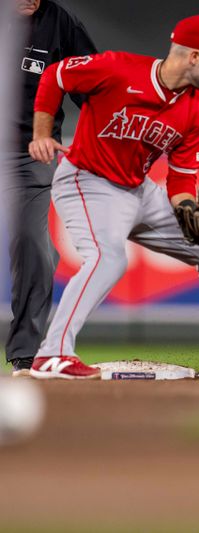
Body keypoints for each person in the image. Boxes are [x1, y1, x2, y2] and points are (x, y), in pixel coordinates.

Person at [26, 14, 199, 379]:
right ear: (195, 56)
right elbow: (55, 75)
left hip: (140, 190)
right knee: (108, 258)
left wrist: (190, 213)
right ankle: (52, 353)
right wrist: (42, 131)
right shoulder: (119, 69)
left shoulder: (196, 109)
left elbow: (181, 182)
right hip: (88, 180)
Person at [5, 0, 96, 377]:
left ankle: (26, 353)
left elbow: (94, 89)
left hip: (28, 155)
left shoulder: (60, 24)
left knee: (33, 244)